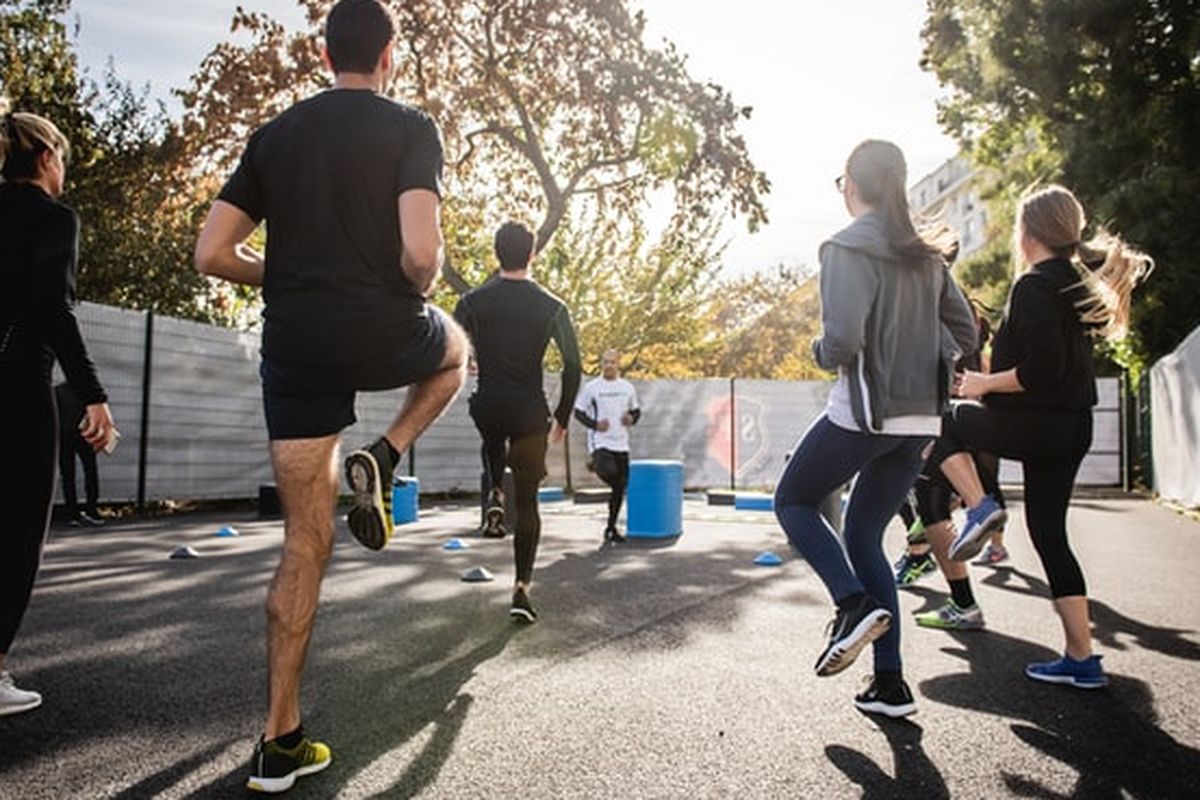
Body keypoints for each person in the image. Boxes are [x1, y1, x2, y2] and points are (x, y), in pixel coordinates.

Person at [194, 1, 467, 791]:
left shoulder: (276, 137)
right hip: (384, 329)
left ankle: (280, 740)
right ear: (390, 58)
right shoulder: (412, 127)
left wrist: (279, 273)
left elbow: (212, 252)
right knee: (454, 354)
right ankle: (384, 452)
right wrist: (414, 285)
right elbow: (421, 252)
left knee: (302, 544)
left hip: (297, 347)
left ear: (324, 56)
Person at [772, 139, 976, 718]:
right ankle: (890, 684)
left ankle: (851, 602)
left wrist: (816, 347)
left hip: (866, 412)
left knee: (793, 499)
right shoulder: (928, 256)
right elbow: (967, 333)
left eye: (841, 182)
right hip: (920, 421)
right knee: (863, 535)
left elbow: (841, 343)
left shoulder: (843, 246)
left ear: (853, 186)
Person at [932, 184, 1152, 689]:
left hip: (1040, 423)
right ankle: (1081, 657)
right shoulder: (1073, 283)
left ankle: (980, 506)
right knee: (1049, 534)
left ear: (1028, 232)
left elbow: (1041, 371)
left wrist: (985, 383)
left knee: (942, 422)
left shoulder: (1033, 285)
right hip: (1071, 426)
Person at [0, 101, 118, 717]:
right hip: (17, 387)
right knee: (18, 530)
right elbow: (53, 309)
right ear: (46, 159)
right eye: (63, 161)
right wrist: (92, 393)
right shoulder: (54, 219)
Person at [453, 221, 582, 624]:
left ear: (496, 253)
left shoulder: (472, 302)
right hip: (529, 412)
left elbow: (452, 349)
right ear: (532, 254)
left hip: (488, 403)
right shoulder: (553, 307)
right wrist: (561, 416)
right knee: (528, 504)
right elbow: (574, 366)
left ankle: (493, 490)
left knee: (491, 435)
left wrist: (470, 360)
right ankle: (522, 590)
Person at [574, 348, 641, 542]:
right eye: (605, 362)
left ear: (618, 363)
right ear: (601, 364)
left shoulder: (627, 387)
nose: (609, 366)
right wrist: (595, 425)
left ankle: (611, 529)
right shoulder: (592, 388)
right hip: (600, 442)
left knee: (620, 487)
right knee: (609, 472)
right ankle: (595, 463)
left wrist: (631, 418)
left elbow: (636, 411)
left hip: (621, 443)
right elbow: (578, 412)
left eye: (612, 362)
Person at [55, 380, 105, 526]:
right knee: (90, 472)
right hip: (85, 437)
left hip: (64, 437)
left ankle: (73, 514)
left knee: (68, 476)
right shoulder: (86, 390)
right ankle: (92, 510)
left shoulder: (57, 391)